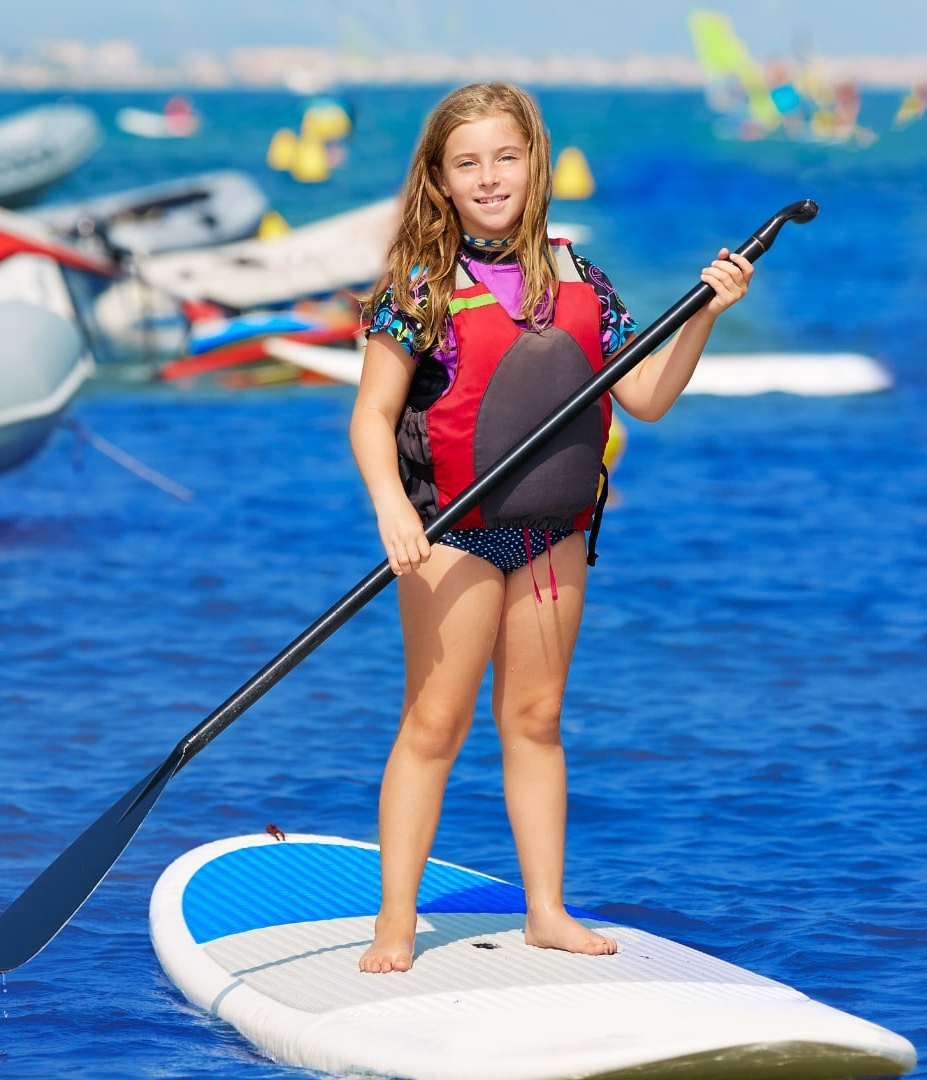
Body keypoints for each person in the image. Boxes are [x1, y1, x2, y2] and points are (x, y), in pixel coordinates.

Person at [349, 82, 753, 974]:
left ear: (535, 162)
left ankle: (545, 911)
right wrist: (389, 510)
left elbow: (644, 398)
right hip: (450, 535)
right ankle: (394, 921)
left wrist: (704, 317)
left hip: (554, 537)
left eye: (506, 157)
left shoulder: (585, 281)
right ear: (441, 181)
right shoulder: (417, 289)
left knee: (535, 718)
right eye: (468, 164)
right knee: (435, 723)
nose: (490, 178)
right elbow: (371, 418)